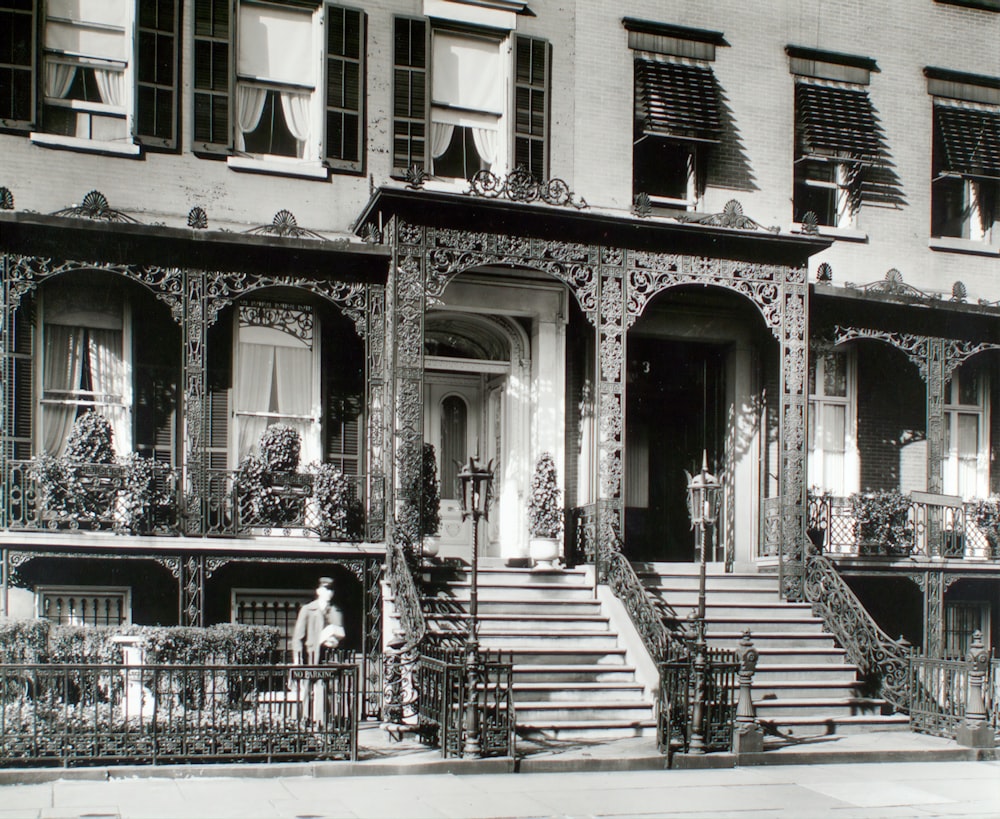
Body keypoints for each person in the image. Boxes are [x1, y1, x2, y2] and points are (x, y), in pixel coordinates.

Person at [292, 576, 345, 665]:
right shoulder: (308, 609)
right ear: (318, 591)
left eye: (331, 590)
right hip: (311, 656)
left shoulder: (336, 611)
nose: (329, 593)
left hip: (330, 658)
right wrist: (297, 659)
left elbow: (340, 635)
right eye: (325, 589)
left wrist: (335, 642)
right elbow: (297, 638)